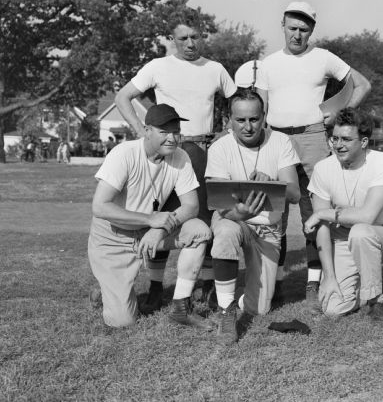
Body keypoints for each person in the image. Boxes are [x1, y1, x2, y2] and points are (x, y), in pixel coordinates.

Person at [114, 19, 237, 314]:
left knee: (205, 216)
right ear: (172, 39)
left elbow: (238, 103)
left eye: (195, 37)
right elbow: (122, 97)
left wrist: (226, 133)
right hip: (172, 151)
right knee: (164, 214)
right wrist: (142, 131)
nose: (191, 44)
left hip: (205, 149)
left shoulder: (215, 69)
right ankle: (156, 288)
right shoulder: (158, 66)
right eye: (183, 38)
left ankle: (206, 287)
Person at [255, 1, 371, 309]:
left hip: (313, 136)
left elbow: (362, 84)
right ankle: (275, 282)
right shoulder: (267, 64)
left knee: (315, 210)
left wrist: (341, 114)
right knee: (274, 213)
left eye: (304, 30)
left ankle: (314, 280)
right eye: (292, 28)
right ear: (283, 25)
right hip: (276, 137)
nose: (297, 35)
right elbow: (261, 108)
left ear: (311, 31)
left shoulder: (323, 57)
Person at [88, 104, 212, 329]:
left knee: (199, 230)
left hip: (149, 233)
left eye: (176, 131)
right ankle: (106, 292)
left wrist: (159, 229)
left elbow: (191, 206)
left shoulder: (181, 156)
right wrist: (149, 220)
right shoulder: (124, 153)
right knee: (123, 321)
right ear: (147, 130)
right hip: (112, 237)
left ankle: (180, 307)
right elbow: (100, 207)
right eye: (164, 132)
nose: (172, 138)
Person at [205, 89, 300, 344]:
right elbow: (219, 204)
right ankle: (226, 312)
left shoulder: (280, 141)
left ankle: (231, 291)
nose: (248, 126)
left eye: (254, 119)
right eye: (240, 120)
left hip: (268, 230)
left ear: (264, 116)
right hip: (235, 220)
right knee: (225, 230)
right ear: (230, 119)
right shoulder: (219, 148)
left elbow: (294, 194)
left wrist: (273, 181)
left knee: (259, 309)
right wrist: (240, 213)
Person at [304, 107, 383, 328]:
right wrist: (329, 276)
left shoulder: (382, 162)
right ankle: (361, 280)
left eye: (347, 139)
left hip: (381, 233)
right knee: (332, 309)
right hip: (340, 238)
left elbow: (367, 217)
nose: (338, 145)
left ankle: (375, 301)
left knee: (360, 232)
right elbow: (322, 229)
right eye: (335, 138)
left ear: (364, 141)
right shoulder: (322, 169)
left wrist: (322, 212)